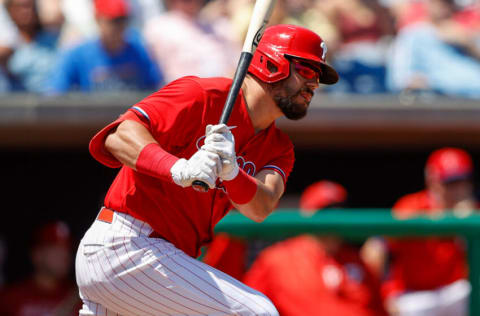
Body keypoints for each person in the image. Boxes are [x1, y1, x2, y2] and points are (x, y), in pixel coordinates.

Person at [75, 24, 339, 315]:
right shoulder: (203, 94)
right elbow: (120, 136)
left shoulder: (279, 147)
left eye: (318, 76)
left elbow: (261, 206)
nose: (314, 84)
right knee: (258, 312)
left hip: (162, 261)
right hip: (128, 244)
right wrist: (178, 169)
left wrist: (233, 173)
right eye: (308, 70)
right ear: (272, 62)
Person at [243, 180, 387, 316]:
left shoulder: (357, 260)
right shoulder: (277, 259)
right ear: (309, 215)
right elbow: (247, 306)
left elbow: (380, 309)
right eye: (327, 211)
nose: (334, 218)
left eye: (339, 210)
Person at [382, 147, 476, 316]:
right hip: (413, 296)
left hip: (454, 294)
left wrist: (467, 228)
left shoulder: (472, 213)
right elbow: (375, 250)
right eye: (450, 183)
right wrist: (380, 295)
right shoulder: (411, 207)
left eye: (461, 181)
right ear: (433, 181)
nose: (457, 190)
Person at [47, 0, 163, 94]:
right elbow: (56, 93)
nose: (119, 26)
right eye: (113, 21)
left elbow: (155, 89)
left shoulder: (139, 51)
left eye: (123, 20)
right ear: (98, 19)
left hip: (131, 119)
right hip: (91, 120)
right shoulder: (78, 54)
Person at [387, 0, 480, 99]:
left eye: (448, 3)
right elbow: (399, 79)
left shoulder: (469, 35)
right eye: (439, 3)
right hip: (439, 101)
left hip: (475, 96)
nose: (443, 8)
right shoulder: (413, 35)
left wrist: (469, 45)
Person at [142, 0, 238, 83]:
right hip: (184, 94)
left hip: (224, 91)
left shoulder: (219, 26)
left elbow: (237, 63)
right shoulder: (158, 27)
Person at [0, 221, 81, 316]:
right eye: (55, 249)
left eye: (67, 249)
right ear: (37, 254)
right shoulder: (11, 298)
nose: (64, 255)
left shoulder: (82, 298)